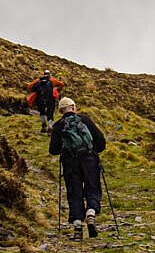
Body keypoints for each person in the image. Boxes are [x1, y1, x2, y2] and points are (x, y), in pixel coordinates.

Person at [49, 97, 106, 241]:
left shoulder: (58, 126)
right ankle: (91, 213)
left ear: (61, 110)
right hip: (89, 159)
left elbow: (53, 150)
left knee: (74, 191)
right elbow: (100, 140)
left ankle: (77, 225)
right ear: (73, 107)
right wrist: (94, 151)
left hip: (70, 163)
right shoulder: (85, 120)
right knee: (93, 187)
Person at [25, 70, 64, 134]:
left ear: (44, 74)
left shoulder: (38, 80)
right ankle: (50, 128)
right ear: (49, 74)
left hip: (40, 99)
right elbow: (61, 84)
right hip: (50, 98)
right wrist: (57, 89)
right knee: (50, 113)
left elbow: (29, 86)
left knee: (42, 112)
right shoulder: (52, 80)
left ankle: (43, 126)